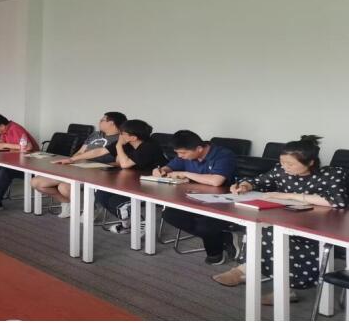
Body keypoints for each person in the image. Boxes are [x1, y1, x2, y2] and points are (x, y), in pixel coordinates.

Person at [211, 136, 347, 304]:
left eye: (290, 164)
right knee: (261, 227)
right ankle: (246, 269)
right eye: (282, 163)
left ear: (311, 162)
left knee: (282, 236)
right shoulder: (280, 171)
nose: (285, 167)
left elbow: (337, 201)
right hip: (289, 218)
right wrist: (245, 186)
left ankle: (285, 289)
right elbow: (259, 181)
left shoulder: (331, 174)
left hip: (320, 226)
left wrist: (288, 196)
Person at [157, 130, 238, 265]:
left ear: (199, 149)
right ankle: (224, 236)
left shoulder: (224, 155)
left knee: (205, 225)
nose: (180, 156)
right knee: (169, 214)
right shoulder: (186, 154)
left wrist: (186, 174)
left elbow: (216, 181)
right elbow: (170, 167)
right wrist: (161, 170)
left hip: (222, 202)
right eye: (178, 153)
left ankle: (215, 252)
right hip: (193, 198)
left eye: (183, 153)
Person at [31, 111, 127, 218]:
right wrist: (73, 160)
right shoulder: (96, 134)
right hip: (79, 167)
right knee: (36, 182)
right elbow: (81, 152)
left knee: (64, 187)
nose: (99, 121)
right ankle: (66, 203)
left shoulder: (121, 139)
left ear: (112, 123)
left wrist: (96, 165)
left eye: (102, 120)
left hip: (99, 173)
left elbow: (118, 163)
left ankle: (90, 208)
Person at [95, 119, 167, 234]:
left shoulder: (149, 146)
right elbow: (104, 153)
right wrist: (73, 159)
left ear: (133, 137)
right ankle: (131, 223)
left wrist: (119, 145)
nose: (120, 136)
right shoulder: (129, 143)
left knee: (116, 201)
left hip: (153, 185)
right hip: (134, 180)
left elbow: (124, 164)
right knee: (101, 194)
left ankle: (135, 224)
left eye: (122, 133)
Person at [0, 113, 39, 212]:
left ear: (1, 126)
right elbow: (3, 142)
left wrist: (4, 145)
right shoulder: (5, 130)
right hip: (16, 162)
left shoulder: (15, 129)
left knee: (6, 172)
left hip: (29, 165)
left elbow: (28, 147)